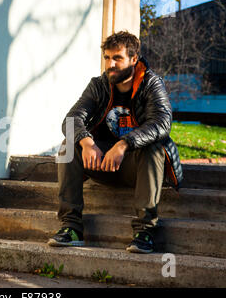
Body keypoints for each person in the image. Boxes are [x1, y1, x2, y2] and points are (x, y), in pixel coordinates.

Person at [48, 31, 183, 253]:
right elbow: (72, 119)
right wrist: (87, 143)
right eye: (107, 58)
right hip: (101, 164)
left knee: (154, 148)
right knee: (68, 145)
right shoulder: (98, 85)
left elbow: (161, 123)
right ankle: (71, 228)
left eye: (117, 58)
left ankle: (145, 231)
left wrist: (123, 144)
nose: (111, 64)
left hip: (136, 166)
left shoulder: (151, 84)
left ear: (133, 59)